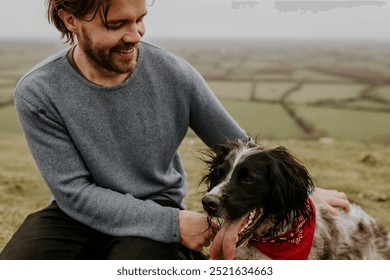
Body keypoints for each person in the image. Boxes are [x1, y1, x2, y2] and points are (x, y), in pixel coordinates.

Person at [0, 0, 350, 260]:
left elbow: (239, 146)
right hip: (76, 215)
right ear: (70, 19)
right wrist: (173, 224)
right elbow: (74, 193)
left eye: (139, 20)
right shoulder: (39, 91)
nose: (133, 35)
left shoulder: (175, 74)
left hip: (159, 208)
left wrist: (303, 191)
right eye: (116, 24)